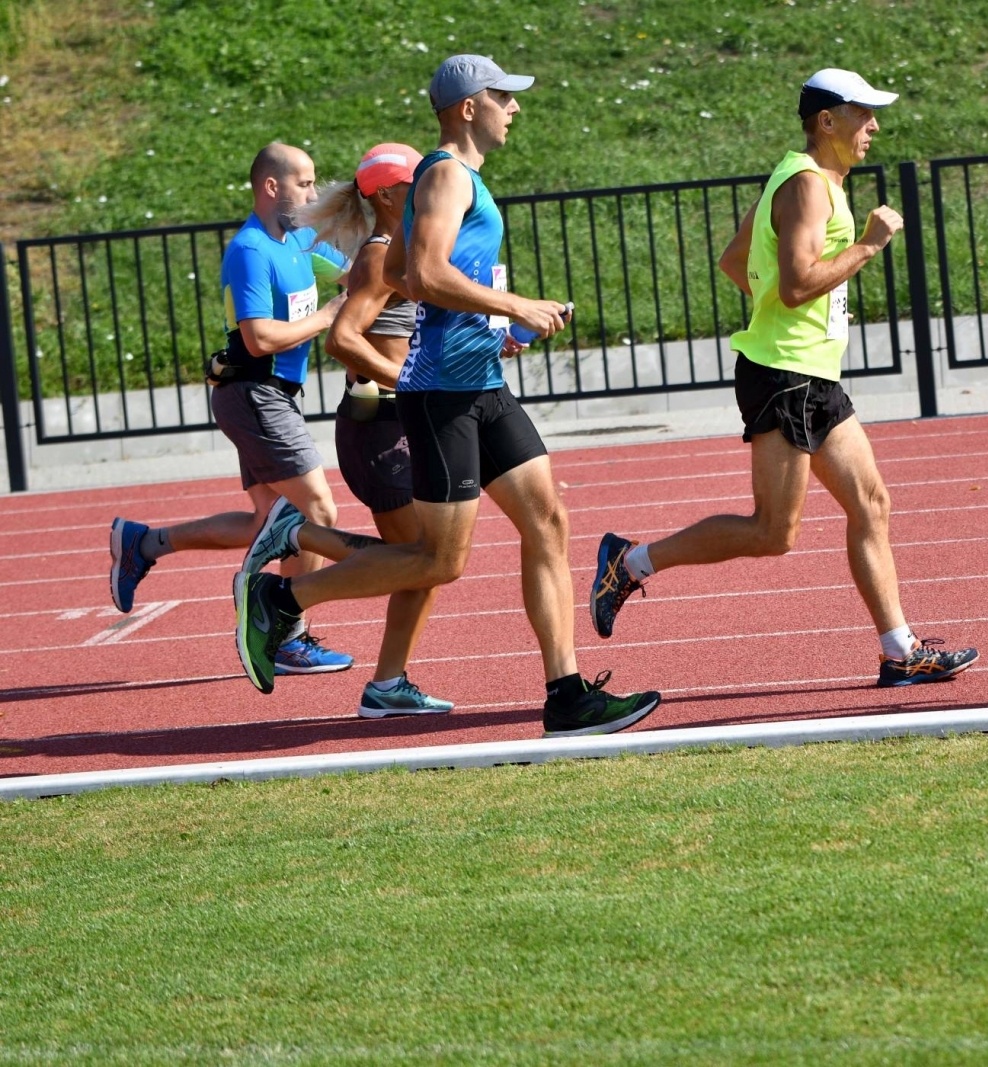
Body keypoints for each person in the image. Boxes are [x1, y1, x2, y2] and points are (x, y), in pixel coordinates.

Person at [233, 55, 660, 738]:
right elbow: (426, 272)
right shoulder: (446, 175)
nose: (513, 108)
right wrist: (509, 300)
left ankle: (567, 695)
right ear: (468, 107)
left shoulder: (457, 180)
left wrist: (487, 324)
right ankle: (282, 595)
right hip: (440, 396)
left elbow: (402, 272)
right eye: (502, 97)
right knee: (439, 560)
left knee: (548, 522)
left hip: (479, 383)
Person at [588, 69, 978, 688]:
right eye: (862, 114)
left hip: (811, 373)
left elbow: (736, 261)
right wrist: (869, 246)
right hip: (784, 376)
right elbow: (797, 284)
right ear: (827, 121)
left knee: (872, 503)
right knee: (773, 533)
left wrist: (776, 307)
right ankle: (629, 563)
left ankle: (899, 650)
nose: (874, 126)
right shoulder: (805, 186)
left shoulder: (809, 178)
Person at [109, 142, 358, 677]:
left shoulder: (301, 240)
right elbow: (260, 336)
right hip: (253, 393)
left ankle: (144, 543)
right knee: (317, 510)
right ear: (272, 187)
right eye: (306, 183)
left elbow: (357, 274)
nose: (314, 193)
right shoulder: (250, 250)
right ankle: (289, 635)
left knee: (266, 522)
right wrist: (329, 315)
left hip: (270, 395)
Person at [286, 141, 452, 718]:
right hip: (381, 427)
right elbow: (343, 339)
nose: (429, 190)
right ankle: (290, 579)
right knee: (424, 560)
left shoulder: (394, 252)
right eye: (416, 181)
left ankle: (296, 540)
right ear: (386, 194)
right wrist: (411, 381)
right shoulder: (381, 253)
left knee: (421, 561)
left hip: (388, 425)